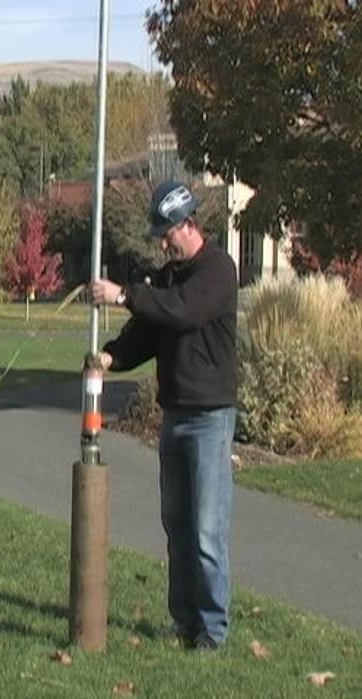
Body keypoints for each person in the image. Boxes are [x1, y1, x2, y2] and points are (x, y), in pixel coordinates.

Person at [88, 180, 237, 650]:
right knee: (177, 525)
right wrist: (110, 357)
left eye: (167, 234)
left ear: (189, 224)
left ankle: (212, 630)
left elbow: (181, 312)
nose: (163, 244)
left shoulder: (218, 270)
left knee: (207, 531)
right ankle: (184, 621)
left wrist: (122, 295)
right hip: (174, 416)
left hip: (210, 418)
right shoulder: (169, 277)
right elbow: (148, 332)